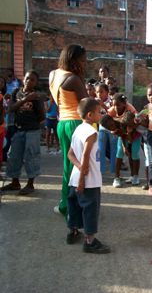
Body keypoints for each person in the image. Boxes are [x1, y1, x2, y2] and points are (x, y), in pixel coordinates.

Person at [67, 98, 110, 254]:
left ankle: (73, 232)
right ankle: (90, 241)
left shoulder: (78, 129)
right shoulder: (91, 132)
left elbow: (70, 154)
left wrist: (78, 170)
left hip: (75, 177)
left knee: (75, 206)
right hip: (88, 180)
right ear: (90, 114)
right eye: (99, 112)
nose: (101, 114)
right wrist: (82, 179)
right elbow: (85, 157)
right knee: (90, 209)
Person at [49, 44, 88, 216]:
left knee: (68, 166)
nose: (84, 64)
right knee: (79, 167)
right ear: (73, 60)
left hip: (62, 123)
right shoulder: (73, 79)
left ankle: (65, 204)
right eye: (82, 60)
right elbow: (86, 105)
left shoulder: (53, 74)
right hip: (76, 124)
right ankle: (75, 208)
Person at [1, 70, 45, 195]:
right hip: (18, 129)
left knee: (31, 156)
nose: (28, 82)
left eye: (32, 80)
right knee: (14, 155)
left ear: (36, 83)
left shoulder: (36, 96)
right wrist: (26, 99)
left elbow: (42, 116)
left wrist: (37, 103)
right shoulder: (16, 92)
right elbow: (10, 109)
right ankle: (15, 182)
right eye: (27, 78)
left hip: (32, 130)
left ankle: (30, 184)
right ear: (23, 79)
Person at [107, 93, 139, 188]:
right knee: (120, 152)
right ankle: (116, 177)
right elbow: (113, 127)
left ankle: (135, 176)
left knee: (134, 154)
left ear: (124, 104)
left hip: (135, 132)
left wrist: (129, 136)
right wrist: (124, 146)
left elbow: (135, 126)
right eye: (114, 105)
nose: (115, 107)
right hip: (121, 131)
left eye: (118, 105)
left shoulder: (131, 110)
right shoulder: (112, 111)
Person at [96, 82, 117, 175]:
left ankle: (114, 171)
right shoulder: (96, 102)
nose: (99, 94)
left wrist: (103, 105)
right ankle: (101, 171)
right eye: (97, 92)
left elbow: (112, 113)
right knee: (101, 150)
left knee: (113, 150)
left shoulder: (112, 101)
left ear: (107, 92)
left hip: (112, 129)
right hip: (101, 129)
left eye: (101, 92)